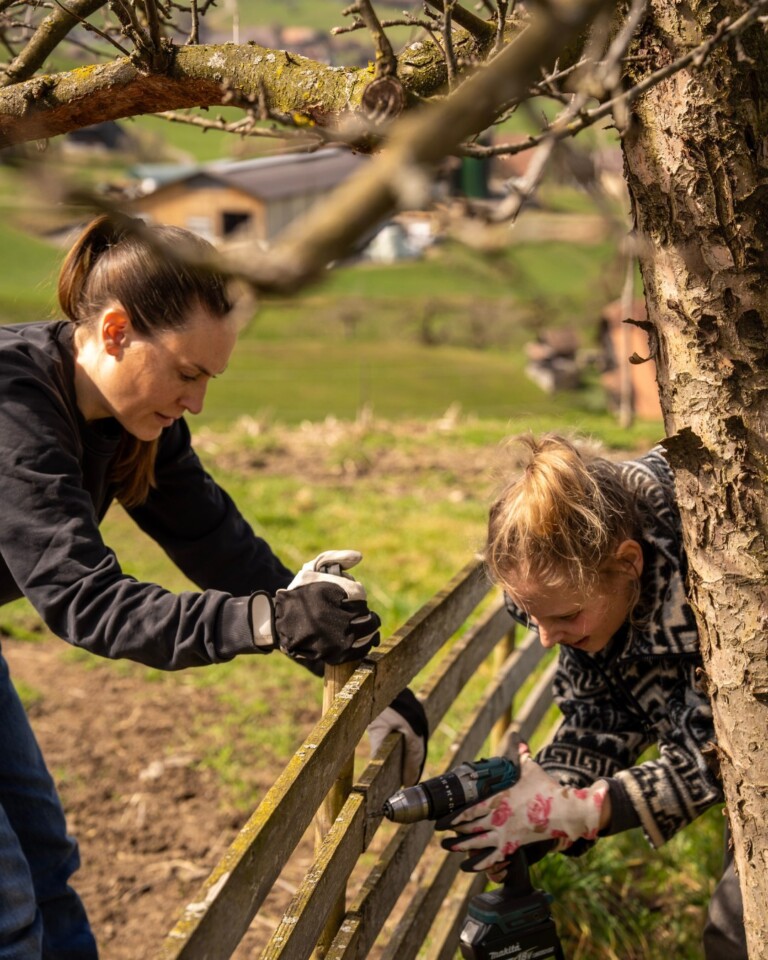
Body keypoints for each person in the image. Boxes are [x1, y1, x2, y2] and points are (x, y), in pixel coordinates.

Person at [0, 214, 427, 960]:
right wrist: (268, 622)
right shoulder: (13, 404)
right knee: (7, 909)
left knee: (45, 867)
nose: (195, 402)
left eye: (209, 379)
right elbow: (86, 602)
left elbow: (215, 543)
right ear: (115, 332)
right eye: (188, 373)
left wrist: (358, 669)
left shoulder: (134, 421)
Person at [436, 433, 746, 959]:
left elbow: (727, 749)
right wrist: (549, 799)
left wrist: (586, 810)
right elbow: (604, 708)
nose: (546, 638)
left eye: (565, 616)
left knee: (740, 930)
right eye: (530, 615)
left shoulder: (727, 568)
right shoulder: (597, 567)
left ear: (629, 563)